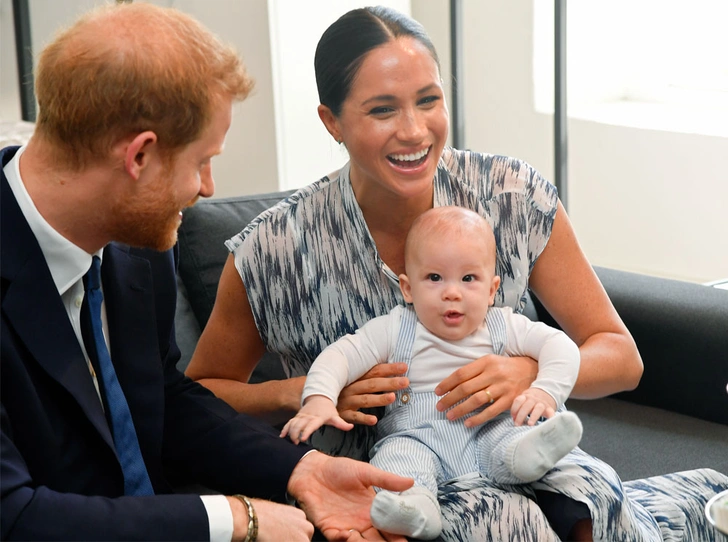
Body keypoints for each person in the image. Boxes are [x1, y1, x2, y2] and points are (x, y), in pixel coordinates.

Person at [186, 5, 728, 540]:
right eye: (382, 110)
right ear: (332, 122)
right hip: (384, 485)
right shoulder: (272, 249)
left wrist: (527, 374)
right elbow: (200, 394)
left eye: (429, 100)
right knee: (499, 519)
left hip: (514, 447)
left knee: (595, 494)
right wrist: (303, 392)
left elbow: (620, 356)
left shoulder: (511, 196)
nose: (414, 130)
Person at [0, 4, 416, 541]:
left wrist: (301, 470)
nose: (209, 188)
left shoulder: (138, 247)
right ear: (140, 156)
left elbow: (164, 400)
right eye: (202, 161)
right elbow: (13, 517)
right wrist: (238, 519)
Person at [282, 206, 586, 539]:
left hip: (488, 428)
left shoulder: (503, 326)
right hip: (417, 437)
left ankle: (527, 457)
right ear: (408, 288)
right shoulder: (395, 328)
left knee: (511, 437)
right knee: (396, 462)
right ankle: (415, 509)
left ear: (491, 289)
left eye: (468, 278)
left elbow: (561, 346)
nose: (452, 292)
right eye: (435, 278)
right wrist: (319, 398)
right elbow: (340, 354)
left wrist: (545, 391)